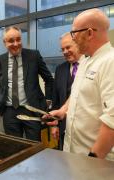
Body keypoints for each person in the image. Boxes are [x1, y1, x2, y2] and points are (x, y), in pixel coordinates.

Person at [44, 8, 114, 161]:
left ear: (89, 33)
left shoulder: (110, 61)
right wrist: (63, 111)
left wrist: (93, 160)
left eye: (74, 33)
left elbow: (112, 120)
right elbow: (77, 94)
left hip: (96, 160)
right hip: (74, 153)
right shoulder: (85, 60)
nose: (72, 38)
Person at [0, 26, 54, 141]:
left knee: (34, 147)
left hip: (32, 111)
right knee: (14, 146)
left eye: (18, 39)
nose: (15, 43)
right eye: (11, 41)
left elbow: (48, 79)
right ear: (4, 43)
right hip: (9, 112)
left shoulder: (33, 56)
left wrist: (47, 102)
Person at [51, 32, 83, 150]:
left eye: (68, 47)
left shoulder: (89, 65)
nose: (65, 51)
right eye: (62, 49)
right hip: (65, 126)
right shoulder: (60, 69)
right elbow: (56, 100)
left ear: (78, 44)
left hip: (85, 129)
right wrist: (55, 125)